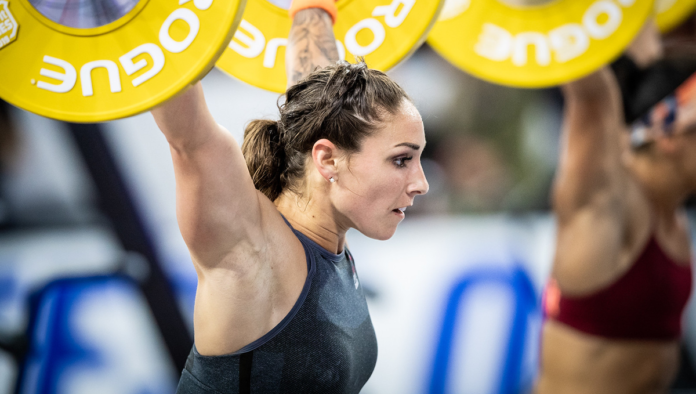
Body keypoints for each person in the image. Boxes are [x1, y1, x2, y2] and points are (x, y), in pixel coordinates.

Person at [151, 0, 429, 392]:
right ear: (328, 160)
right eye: (401, 160)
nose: (421, 183)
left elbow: (317, 87)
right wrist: (142, 17)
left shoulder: (329, 237)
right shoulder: (250, 252)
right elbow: (189, 137)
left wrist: (310, 8)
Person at [537, 21, 696, 394]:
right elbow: (591, 93)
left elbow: (638, 30)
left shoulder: (669, 204)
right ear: (671, 136)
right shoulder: (605, 200)